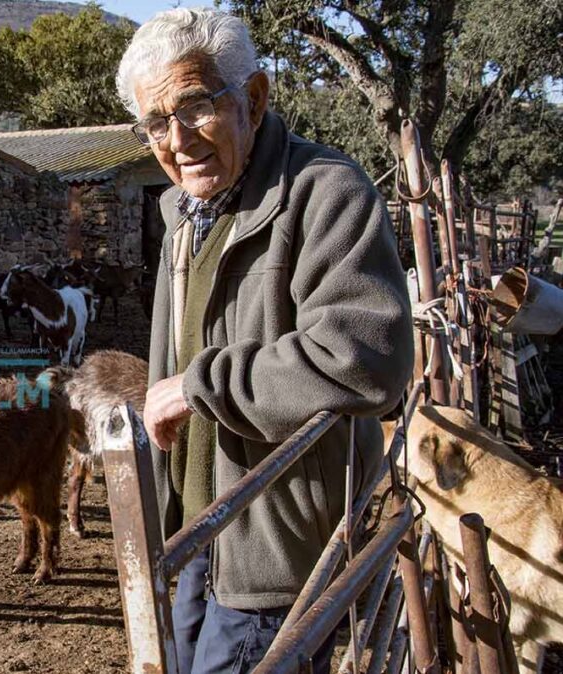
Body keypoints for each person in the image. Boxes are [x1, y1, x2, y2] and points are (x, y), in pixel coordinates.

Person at [116, 8, 414, 674]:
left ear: (252, 98)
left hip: (275, 551)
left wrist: (199, 385)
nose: (177, 138)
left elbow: (366, 357)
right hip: (196, 533)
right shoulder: (181, 216)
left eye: (193, 107)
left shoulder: (323, 193)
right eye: (155, 123)